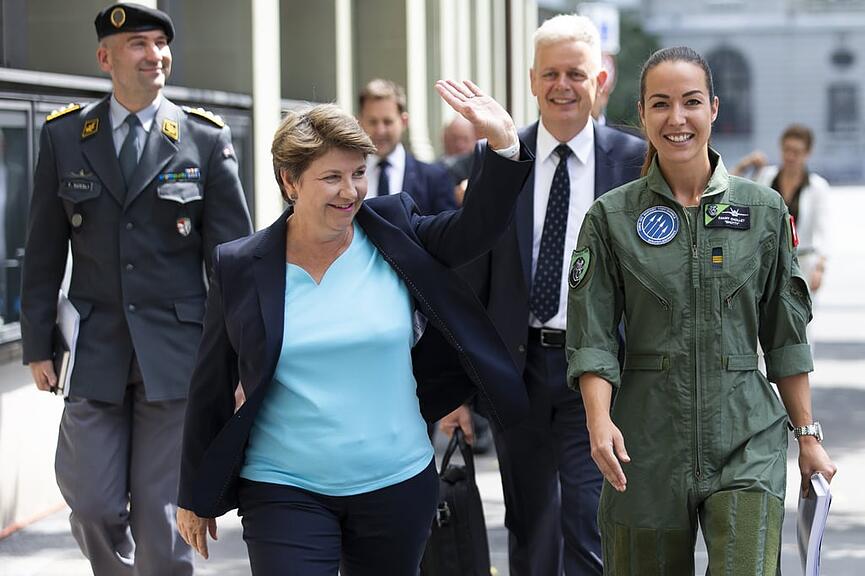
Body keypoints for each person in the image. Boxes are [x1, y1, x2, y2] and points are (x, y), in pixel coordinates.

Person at [175, 81, 533, 575]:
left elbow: (476, 230)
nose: (351, 192)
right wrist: (193, 493)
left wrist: (503, 144)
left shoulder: (395, 229)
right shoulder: (240, 265)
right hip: (283, 486)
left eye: (358, 173)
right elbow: (210, 382)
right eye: (332, 177)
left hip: (396, 483)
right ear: (290, 181)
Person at [566, 46, 837, 574]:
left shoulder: (763, 211)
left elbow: (785, 336)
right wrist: (599, 422)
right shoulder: (611, 217)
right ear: (642, 114)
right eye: (660, 104)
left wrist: (807, 437)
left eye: (691, 102)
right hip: (643, 445)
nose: (677, 118)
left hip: (746, 438)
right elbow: (592, 337)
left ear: (713, 108)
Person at [20, 4, 253, 574]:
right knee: (92, 504)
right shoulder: (65, 136)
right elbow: (43, 249)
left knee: (162, 518)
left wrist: (240, 357)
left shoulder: (203, 139)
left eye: (160, 44)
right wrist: (36, 344)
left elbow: (233, 263)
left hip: (177, 356)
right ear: (105, 58)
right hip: (95, 349)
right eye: (138, 45)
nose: (155, 56)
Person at [440, 14, 645, 576]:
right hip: (519, 369)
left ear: (600, 80)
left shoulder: (634, 162)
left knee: (588, 520)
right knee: (530, 525)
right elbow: (470, 278)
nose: (562, 86)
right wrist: (456, 390)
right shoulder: (498, 156)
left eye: (575, 73)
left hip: (599, 372)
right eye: (550, 73)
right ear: (532, 80)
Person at [732, 124, 829, 293]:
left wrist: (820, 267)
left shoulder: (817, 187)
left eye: (796, 152)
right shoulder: (765, 177)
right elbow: (731, 189)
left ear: (807, 153)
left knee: (800, 309)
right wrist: (744, 164)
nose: (790, 156)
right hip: (766, 263)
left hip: (802, 264)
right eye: (786, 150)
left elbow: (823, 230)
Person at [358, 78, 456, 214]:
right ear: (360, 122)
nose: (380, 131)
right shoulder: (348, 177)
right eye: (373, 122)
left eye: (387, 122)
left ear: (404, 122)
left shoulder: (435, 178)